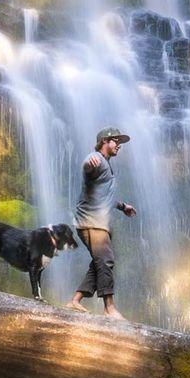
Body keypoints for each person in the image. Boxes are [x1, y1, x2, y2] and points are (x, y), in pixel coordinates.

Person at [69, 126, 136, 320]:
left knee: (99, 262)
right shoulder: (96, 159)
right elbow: (88, 165)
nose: (119, 146)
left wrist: (123, 206)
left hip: (97, 222)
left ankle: (75, 300)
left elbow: (104, 196)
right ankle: (109, 307)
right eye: (116, 141)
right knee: (106, 261)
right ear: (105, 142)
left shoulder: (106, 164)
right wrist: (88, 164)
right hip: (91, 221)